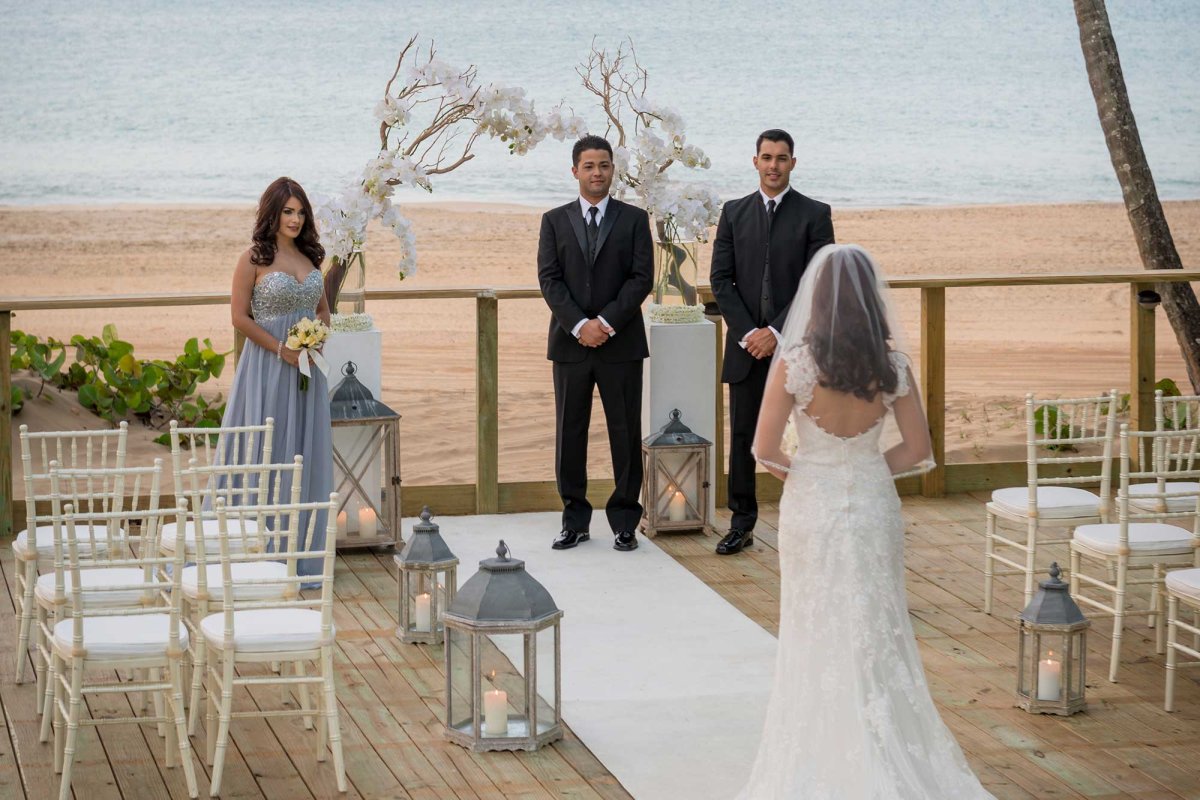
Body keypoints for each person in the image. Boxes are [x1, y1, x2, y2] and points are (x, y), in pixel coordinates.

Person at [735, 244, 993, 799]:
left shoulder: (797, 363)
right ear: (873, 301)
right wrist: (867, 470)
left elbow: (763, 450)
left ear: (817, 300)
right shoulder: (891, 364)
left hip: (814, 505)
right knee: (878, 623)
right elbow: (919, 450)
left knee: (813, 622)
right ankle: (887, 743)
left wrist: (807, 472)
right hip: (874, 505)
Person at [710, 128, 835, 556]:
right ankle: (741, 524)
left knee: (806, 437)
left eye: (782, 158)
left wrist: (778, 333)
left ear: (793, 164)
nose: (774, 165)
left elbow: (819, 280)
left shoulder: (815, 214)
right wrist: (748, 333)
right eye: (767, 157)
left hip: (797, 349)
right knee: (744, 439)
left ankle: (811, 522)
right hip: (746, 350)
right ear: (755, 161)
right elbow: (719, 281)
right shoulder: (733, 212)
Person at [537, 135, 654, 552]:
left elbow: (642, 278)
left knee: (625, 432)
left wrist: (604, 322)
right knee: (570, 433)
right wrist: (578, 325)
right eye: (589, 166)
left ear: (612, 171)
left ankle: (625, 521)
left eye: (604, 165)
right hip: (570, 345)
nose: (597, 173)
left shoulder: (635, 219)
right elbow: (549, 279)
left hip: (620, 344)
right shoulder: (553, 220)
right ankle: (575, 520)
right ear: (575, 171)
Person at [219, 176, 332, 579]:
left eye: (301, 212)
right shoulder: (253, 258)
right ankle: (252, 557)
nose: (295, 219)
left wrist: (317, 337)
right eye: (288, 211)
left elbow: (323, 310)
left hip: (307, 369)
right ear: (273, 212)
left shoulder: (310, 258)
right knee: (265, 449)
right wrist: (280, 348)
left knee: (302, 451)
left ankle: (299, 554)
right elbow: (238, 317)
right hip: (268, 367)